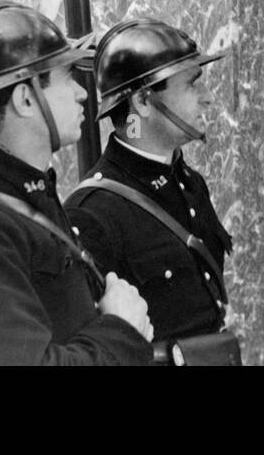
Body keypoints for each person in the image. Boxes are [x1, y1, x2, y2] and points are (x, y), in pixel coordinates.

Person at [0, 1, 153, 365]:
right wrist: (122, 329)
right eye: (65, 78)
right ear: (26, 98)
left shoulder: (24, 196)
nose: (82, 93)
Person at [67, 18, 236, 365]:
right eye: (192, 85)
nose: (208, 98)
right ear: (143, 102)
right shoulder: (92, 212)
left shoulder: (191, 184)